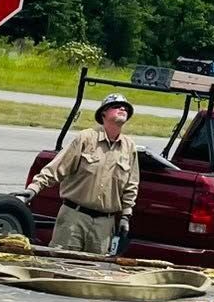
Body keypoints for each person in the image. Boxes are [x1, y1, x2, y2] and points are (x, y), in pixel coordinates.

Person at [26, 94, 140, 255]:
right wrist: (34, 188)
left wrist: (125, 216)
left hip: (104, 224)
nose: (123, 109)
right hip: (74, 217)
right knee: (61, 264)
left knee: (93, 271)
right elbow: (58, 166)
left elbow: (131, 185)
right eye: (117, 106)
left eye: (126, 108)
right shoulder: (86, 138)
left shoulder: (129, 147)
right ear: (103, 113)